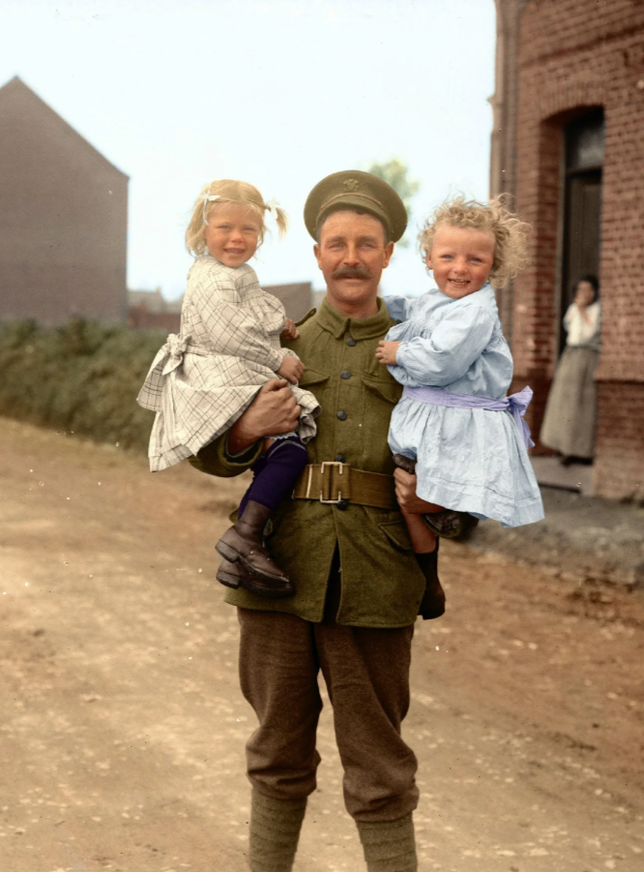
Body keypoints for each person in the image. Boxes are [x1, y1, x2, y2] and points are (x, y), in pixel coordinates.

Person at [190, 170, 440, 872]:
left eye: (366, 243)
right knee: (276, 753)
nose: (351, 256)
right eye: (337, 243)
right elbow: (207, 447)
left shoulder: (428, 350)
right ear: (318, 254)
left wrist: (439, 504)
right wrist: (243, 431)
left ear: (389, 252)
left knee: (381, 768)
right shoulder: (272, 338)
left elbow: (475, 464)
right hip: (278, 569)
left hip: (378, 575)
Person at [137, 180, 319, 598]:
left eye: (249, 231)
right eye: (225, 228)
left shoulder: (236, 274)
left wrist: (281, 323)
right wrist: (277, 358)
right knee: (287, 447)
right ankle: (246, 534)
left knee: (281, 448)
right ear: (203, 231)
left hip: (228, 368)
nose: (237, 239)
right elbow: (228, 330)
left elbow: (251, 313)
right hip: (216, 374)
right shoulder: (211, 278)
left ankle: (246, 546)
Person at [375, 195, 544, 594]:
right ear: (429, 259)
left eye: (475, 260)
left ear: (493, 266)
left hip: (457, 420)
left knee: (419, 490)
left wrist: (400, 351)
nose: (460, 269)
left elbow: (442, 362)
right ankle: (426, 565)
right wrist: (378, 305)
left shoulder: (475, 311)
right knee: (408, 489)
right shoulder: (442, 299)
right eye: (448, 257)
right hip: (436, 415)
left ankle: (429, 572)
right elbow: (415, 308)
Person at [539, 275, 601, 465]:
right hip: (570, 356)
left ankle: (580, 451)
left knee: (581, 404)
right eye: (580, 290)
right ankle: (562, 446)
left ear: (595, 292)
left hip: (587, 357)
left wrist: (582, 310)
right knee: (564, 402)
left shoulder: (597, 310)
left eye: (588, 290)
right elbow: (569, 328)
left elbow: (589, 333)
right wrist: (578, 309)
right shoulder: (573, 309)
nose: (583, 294)